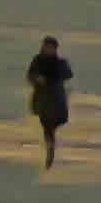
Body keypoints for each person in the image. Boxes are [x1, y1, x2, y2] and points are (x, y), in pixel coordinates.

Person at [26, 37, 73, 168]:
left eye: (51, 47)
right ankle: (50, 148)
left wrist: (59, 73)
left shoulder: (59, 62)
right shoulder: (38, 61)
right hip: (43, 99)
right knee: (46, 124)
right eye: (46, 47)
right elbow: (30, 75)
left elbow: (69, 74)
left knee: (57, 121)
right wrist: (37, 79)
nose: (48, 49)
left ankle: (50, 143)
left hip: (57, 99)